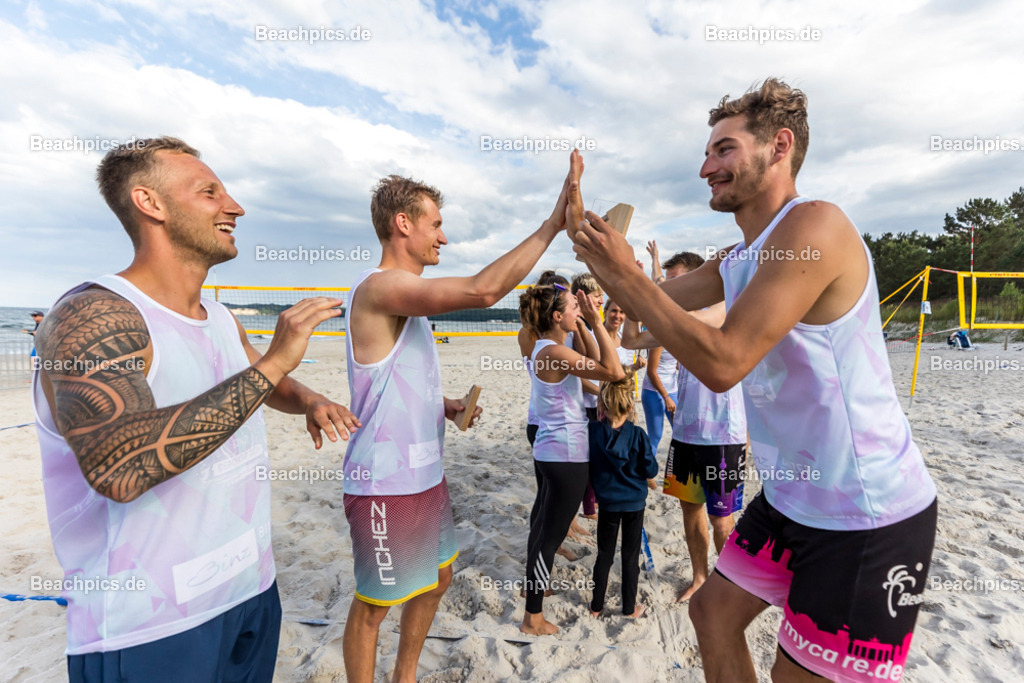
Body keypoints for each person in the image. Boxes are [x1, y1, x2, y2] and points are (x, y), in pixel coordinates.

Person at [569, 79, 937, 683]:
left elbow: (723, 361)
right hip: (795, 499)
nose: (706, 167)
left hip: (865, 512)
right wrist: (596, 255)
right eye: (708, 153)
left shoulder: (815, 227)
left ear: (780, 146)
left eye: (724, 150)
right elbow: (645, 323)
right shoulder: (738, 258)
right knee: (713, 615)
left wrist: (624, 276)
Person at [32, 137, 361, 682]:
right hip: (149, 624)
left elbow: (257, 378)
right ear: (150, 203)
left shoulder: (220, 315)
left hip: (250, 589)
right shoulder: (91, 313)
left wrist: (309, 398)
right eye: (210, 192)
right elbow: (121, 466)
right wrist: (276, 363)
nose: (235, 207)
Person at [341, 153, 577, 682]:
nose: (442, 238)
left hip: (425, 476)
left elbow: (391, 377)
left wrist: (441, 405)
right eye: (436, 224)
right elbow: (483, 291)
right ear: (403, 224)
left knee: (437, 580)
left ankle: (404, 677)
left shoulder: (409, 303)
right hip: (384, 481)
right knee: (375, 605)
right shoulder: (380, 286)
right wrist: (550, 226)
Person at [623, 252, 745, 602]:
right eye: (670, 283)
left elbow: (698, 320)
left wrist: (647, 294)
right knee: (690, 512)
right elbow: (630, 340)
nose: (673, 290)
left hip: (723, 436)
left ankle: (733, 587)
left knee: (723, 521)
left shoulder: (724, 310)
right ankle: (701, 577)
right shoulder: (675, 327)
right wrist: (631, 299)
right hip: (686, 433)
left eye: (679, 282)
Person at [518, 284, 624, 635]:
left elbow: (595, 359)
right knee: (550, 534)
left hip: (553, 449)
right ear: (555, 316)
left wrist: (582, 325)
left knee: (542, 525)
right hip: (565, 453)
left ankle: (534, 585)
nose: (579, 309)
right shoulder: (555, 352)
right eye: (572, 307)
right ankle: (532, 617)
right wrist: (594, 321)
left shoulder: (550, 347)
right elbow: (612, 370)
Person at [587, 370, 659, 619]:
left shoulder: (593, 432)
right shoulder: (638, 435)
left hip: (607, 502)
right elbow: (651, 469)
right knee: (630, 556)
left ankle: (596, 607)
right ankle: (629, 609)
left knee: (604, 555)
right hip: (633, 503)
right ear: (629, 407)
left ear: (603, 406)